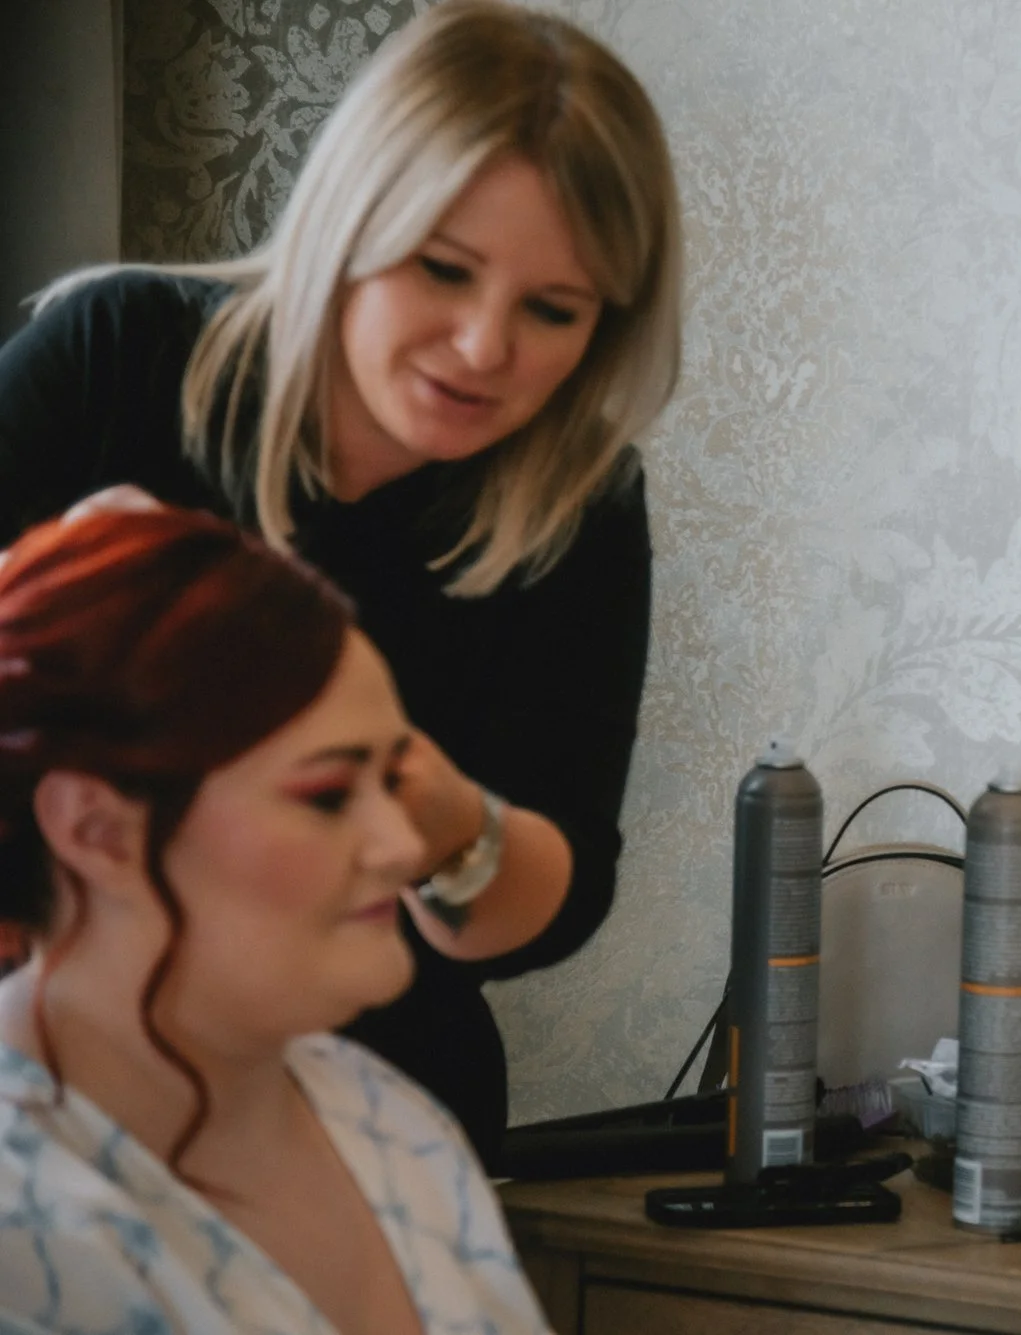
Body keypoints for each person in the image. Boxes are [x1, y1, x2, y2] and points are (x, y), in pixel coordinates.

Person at [0, 0, 682, 1166]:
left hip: (374, 1099)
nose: (482, 347)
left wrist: (420, 799)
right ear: (350, 220)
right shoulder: (115, 357)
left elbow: (548, 912)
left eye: (551, 310)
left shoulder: (579, 511)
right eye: (443, 269)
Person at [0, 506, 550, 1333]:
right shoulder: (24, 1230)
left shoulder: (389, 1118)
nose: (403, 846)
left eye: (392, 781)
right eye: (328, 794)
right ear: (96, 829)